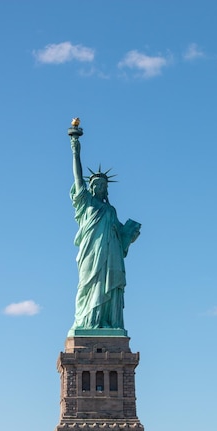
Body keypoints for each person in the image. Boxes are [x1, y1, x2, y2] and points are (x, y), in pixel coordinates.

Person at [69, 132, 141, 331]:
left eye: (103, 185)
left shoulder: (111, 210)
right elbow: (78, 179)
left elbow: (121, 236)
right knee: (88, 286)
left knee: (109, 285)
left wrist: (130, 235)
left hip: (111, 256)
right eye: (96, 184)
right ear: (91, 188)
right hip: (91, 254)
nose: (100, 187)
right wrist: (76, 150)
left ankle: (108, 322)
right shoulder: (86, 204)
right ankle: (88, 321)